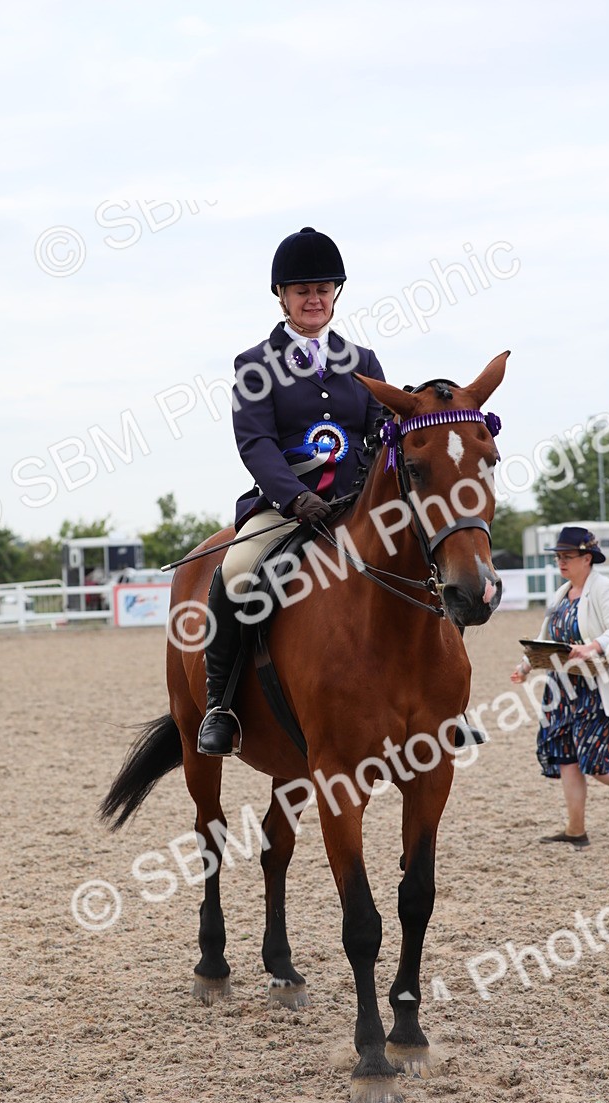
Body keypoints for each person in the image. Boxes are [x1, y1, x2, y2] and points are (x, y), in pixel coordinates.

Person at [198, 227, 386, 755]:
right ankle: (221, 705)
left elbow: (380, 430)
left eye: (324, 288)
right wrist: (294, 496)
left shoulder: (363, 361)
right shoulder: (256, 364)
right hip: (286, 509)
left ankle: (444, 701)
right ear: (282, 296)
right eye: (302, 289)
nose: (314, 298)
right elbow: (255, 441)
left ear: (335, 294)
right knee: (236, 572)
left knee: (423, 558)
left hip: (355, 506)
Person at [510, 525, 609, 848]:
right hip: (560, 688)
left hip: (595, 685)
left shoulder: (605, 589)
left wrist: (593, 646)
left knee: (595, 761)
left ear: (587, 558)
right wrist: (526, 664)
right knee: (567, 757)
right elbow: (546, 635)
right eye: (559, 557)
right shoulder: (560, 594)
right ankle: (575, 830)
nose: (561, 563)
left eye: (568, 557)